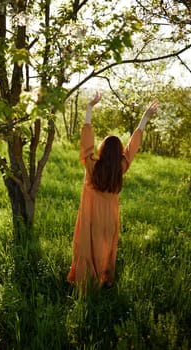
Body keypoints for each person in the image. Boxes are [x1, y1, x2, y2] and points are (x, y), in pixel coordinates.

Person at [67, 91, 159, 290]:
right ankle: (104, 279)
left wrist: (90, 109)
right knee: (106, 248)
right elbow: (132, 147)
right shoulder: (121, 167)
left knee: (87, 247)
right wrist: (145, 117)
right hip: (110, 217)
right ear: (118, 153)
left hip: (91, 215)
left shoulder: (91, 165)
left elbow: (86, 143)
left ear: (102, 149)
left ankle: (85, 282)